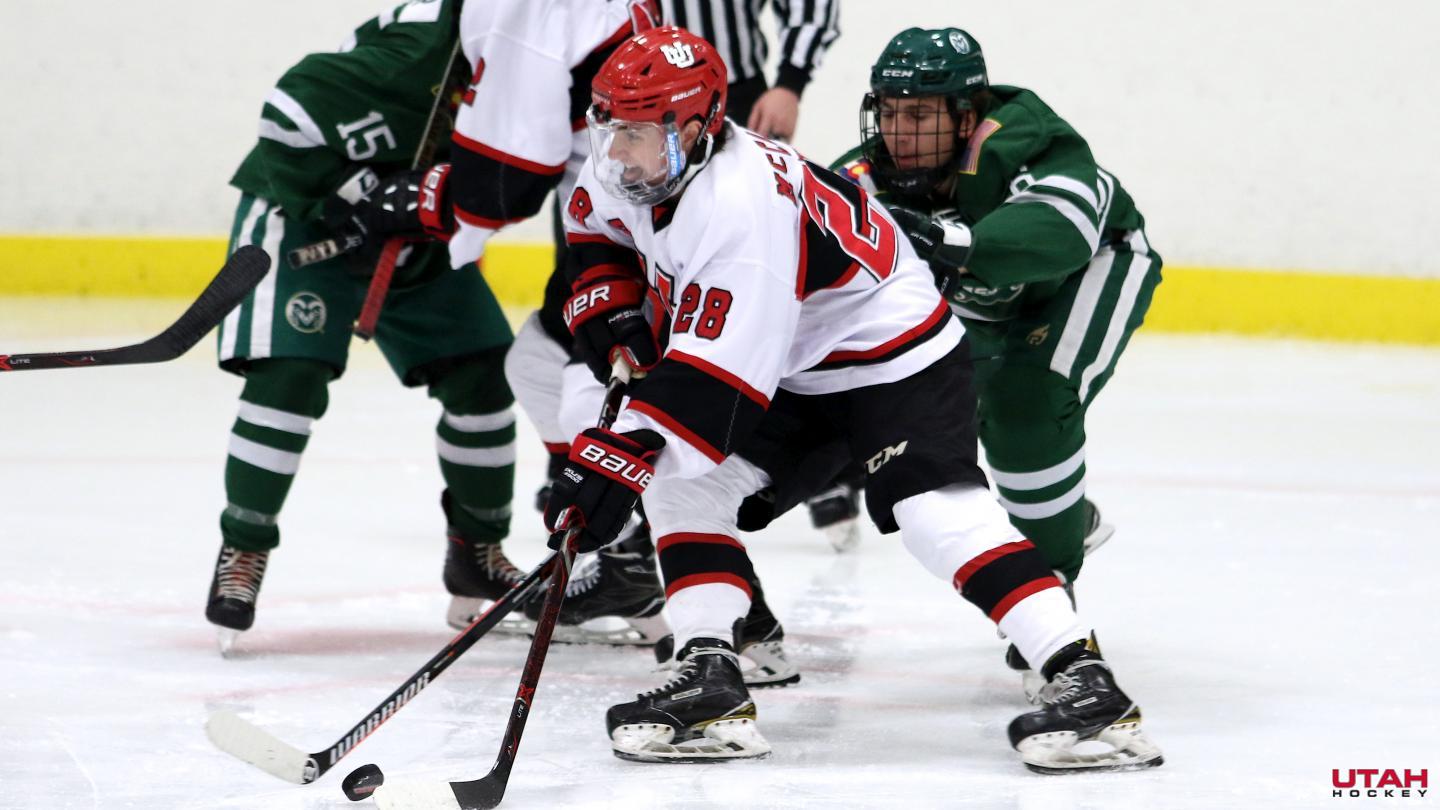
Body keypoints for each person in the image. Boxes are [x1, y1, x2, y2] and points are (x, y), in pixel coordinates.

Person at [545, 25, 1163, 772]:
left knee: (933, 513)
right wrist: (614, 318)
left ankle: (1087, 684)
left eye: (637, 133)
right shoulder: (630, 165)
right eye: (608, 128)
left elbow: (716, 387)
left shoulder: (738, 209)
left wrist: (621, 456)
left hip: (894, 356)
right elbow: (596, 237)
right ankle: (711, 675)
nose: (616, 151)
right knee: (686, 486)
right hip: (801, 361)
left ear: (698, 127)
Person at [832, 28, 1162, 693]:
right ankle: (1062, 521)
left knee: (1026, 406)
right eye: (889, 112)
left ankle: (1054, 586)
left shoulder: (1027, 139)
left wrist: (945, 241)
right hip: (987, 298)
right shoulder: (861, 177)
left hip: (1090, 270)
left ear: (967, 115)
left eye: (920, 114)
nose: (900, 132)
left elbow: (1063, 231)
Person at [206, 0, 524, 651]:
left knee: (483, 376)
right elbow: (289, 112)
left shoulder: (547, 59)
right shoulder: (425, 47)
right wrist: (360, 194)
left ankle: (478, 553)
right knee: (290, 377)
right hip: (306, 208)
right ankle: (244, 547)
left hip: (416, 221)